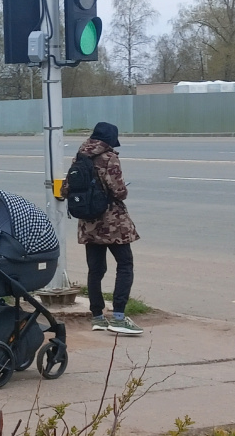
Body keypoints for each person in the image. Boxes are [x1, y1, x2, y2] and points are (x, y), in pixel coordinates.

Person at [62, 122, 142, 335]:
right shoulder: (109, 158)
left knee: (96, 270)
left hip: (88, 222)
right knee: (125, 264)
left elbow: (66, 188)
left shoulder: (80, 157)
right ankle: (118, 317)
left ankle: (97, 317)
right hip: (111, 222)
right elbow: (118, 191)